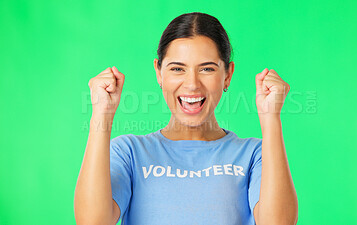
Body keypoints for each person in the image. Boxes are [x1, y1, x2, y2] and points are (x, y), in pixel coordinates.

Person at [74, 12, 298, 225]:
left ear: (228, 75)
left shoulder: (254, 155)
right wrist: (102, 114)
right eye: (177, 69)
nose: (192, 84)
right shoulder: (129, 151)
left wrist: (271, 118)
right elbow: (93, 221)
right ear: (159, 72)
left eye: (207, 69)